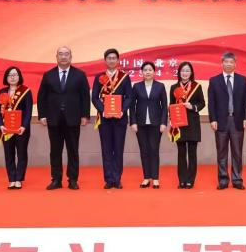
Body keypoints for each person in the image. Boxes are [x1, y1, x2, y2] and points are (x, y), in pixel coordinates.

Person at [36, 46, 90, 190]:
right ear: (56, 57)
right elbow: (41, 97)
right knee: (55, 151)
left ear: (71, 57)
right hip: (54, 119)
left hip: (73, 118)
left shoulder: (80, 75)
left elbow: (85, 96)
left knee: (73, 150)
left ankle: (72, 179)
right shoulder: (48, 75)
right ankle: (56, 179)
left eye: (66, 54)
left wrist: (85, 115)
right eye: (61, 54)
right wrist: (42, 115)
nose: (64, 56)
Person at [91, 48, 133, 189]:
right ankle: (109, 179)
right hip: (104, 119)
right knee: (106, 149)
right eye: (109, 58)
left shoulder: (124, 77)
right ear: (105, 60)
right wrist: (103, 111)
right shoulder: (99, 77)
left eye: (114, 58)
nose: (111, 60)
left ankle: (117, 178)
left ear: (118, 60)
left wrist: (122, 110)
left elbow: (129, 97)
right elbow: (94, 97)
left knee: (118, 149)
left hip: (120, 118)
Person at [207, 52, 246, 190]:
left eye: (231, 62)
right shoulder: (214, 80)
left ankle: (237, 180)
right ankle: (223, 180)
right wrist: (213, 119)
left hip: (237, 120)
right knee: (222, 152)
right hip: (221, 121)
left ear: (235, 64)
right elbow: (211, 102)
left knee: (237, 152)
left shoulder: (242, 80)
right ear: (222, 63)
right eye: (226, 62)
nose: (229, 64)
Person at [130, 61, 168, 189]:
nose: (147, 72)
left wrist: (163, 122)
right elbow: (132, 106)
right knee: (144, 150)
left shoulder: (160, 86)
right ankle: (146, 177)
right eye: (145, 70)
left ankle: (155, 178)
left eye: (150, 70)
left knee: (154, 150)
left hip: (156, 124)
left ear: (154, 72)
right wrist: (133, 122)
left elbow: (164, 106)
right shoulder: (136, 86)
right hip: (140, 124)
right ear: (142, 72)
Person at [169, 61, 206, 189]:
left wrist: (192, 106)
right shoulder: (174, 87)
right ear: (179, 72)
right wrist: (171, 120)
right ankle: (182, 180)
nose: (185, 73)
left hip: (192, 123)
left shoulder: (197, 86)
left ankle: (190, 180)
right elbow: (171, 105)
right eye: (183, 71)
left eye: (187, 71)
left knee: (192, 153)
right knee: (181, 153)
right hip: (179, 123)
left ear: (191, 73)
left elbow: (202, 103)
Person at [0, 66, 32, 190]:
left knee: (21, 154)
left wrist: (24, 126)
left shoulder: (26, 91)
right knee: (9, 154)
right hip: (6, 129)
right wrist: (0, 125)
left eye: (15, 75)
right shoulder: (2, 92)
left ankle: (19, 179)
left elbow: (28, 111)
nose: (12, 77)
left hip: (21, 130)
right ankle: (11, 179)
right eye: (10, 75)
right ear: (6, 77)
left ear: (19, 76)